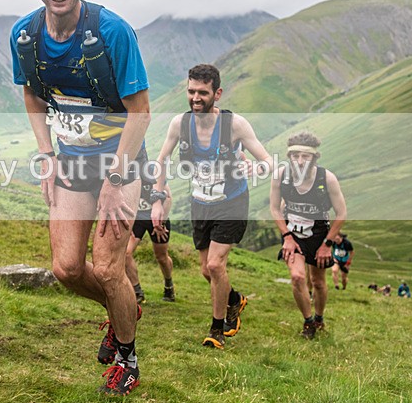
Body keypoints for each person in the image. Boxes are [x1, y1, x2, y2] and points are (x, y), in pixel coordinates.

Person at [10, 0, 150, 396]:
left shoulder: (113, 32)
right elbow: (31, 93)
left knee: (109, 268)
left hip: (120, 160)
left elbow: (141, 112)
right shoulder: (25, 36)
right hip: (71, 161)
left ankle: (127, 356)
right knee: (66, 269)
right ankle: (121, 307)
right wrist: (47, 155)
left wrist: (115, 179)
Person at [151, 63, 272, 350]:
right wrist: (157, 199)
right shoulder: (180, 124)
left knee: (216, 265)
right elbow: (162, 160)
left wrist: (257, 169)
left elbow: (267, 160)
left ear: (217, 94)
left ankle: (216, 330)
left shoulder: (235, 125)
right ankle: (234, 300)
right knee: (207, 271)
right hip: (200, 203)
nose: (195, 98)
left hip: (231, 202)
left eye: (202, 93)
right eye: (191, 91)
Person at [269, 131, 347, 339]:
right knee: (297, 276)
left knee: (319, 282)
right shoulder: (281, 176)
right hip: (293, 234)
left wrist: (327, 244)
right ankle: (308, 322)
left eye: (305, 156)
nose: (300, 161)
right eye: (295, 156)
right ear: (289, 157)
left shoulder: (327, 179)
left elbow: (341, 214)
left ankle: (320, 318)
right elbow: (275, 209)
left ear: (314, 157)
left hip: (320, 235)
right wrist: (286, 236)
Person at [125, 176, 175, 303]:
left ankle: (169, 285)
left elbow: (168, 199)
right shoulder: (128, 171)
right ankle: (137, 291)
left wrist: (161, 223)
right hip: (137, 220)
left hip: (157, 219)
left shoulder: (154, 172)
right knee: (126, 253)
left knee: (161, 257)